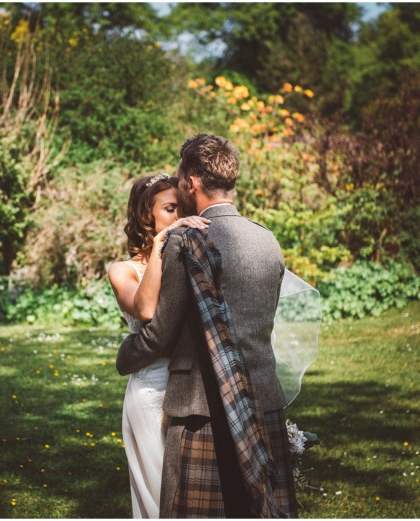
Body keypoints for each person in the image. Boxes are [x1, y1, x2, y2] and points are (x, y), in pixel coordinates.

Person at [116, 134, 298, 518]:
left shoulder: (186, 240)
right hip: (263, 400)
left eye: (181, 176)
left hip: (202, 407)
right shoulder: (268, 240)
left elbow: (160, 333)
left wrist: (126, 354)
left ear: (191, 182)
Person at [108, 173, 210, 519]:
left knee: (194, 497)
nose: (179, 215)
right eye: (169, 209)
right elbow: (147, 309)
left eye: (182, 207)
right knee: (159, 498)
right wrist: (165, 241)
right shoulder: (123, 271)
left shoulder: (190, 258)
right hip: (150, 394)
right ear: (145, 217)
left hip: (193, 389)